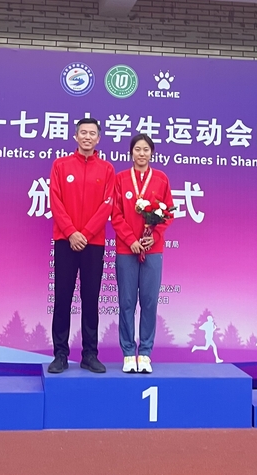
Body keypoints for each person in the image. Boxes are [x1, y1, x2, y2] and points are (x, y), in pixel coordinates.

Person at [48, 117, 115, 374]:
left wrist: (85, 233)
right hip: (65, 241)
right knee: (62, 298)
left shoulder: (107, 169)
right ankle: (60, 355)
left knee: (90, 299)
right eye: (83, 133)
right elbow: (55, 201)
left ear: (99, 139)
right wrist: (71, 233)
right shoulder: (60, 165)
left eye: (92, 133)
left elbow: (107, 205)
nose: (87, 137)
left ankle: (90, 354)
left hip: (93, 242)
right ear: (75, 136)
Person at [111, 134, 174, 373]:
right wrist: (131, 240)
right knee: (126, 302)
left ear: (152, 153)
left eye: (146, 149)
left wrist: (153, 237)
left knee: (149, 302)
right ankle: (128, 353)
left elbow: (168, 213)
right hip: (126, 250)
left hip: (152, 250)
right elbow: (115, 214)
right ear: (131, 152)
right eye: (137, 149)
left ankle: (145, 353)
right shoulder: (120, 179)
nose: (141, 153)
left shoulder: (161, 179)